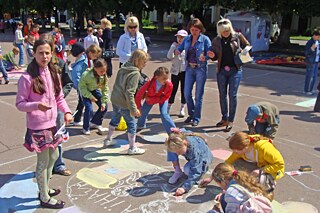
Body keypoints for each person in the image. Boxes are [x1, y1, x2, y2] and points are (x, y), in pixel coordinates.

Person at [16, 38, 73, 209]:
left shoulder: (54, 72)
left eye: (47, 52)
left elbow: (59, 98)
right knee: (43, 161)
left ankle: (45, 188)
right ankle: (44, 197)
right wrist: (36, 106)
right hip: (38, 127)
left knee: (54, 157)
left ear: (52, 54)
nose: (44, 56)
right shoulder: (27, 78)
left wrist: (68, 112)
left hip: (53, 125)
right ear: (33, 54)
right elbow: (20, 104)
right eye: (40, 52)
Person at [103, 49, 149, 154]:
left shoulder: (123, 67)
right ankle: (132, 148)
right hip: (124, 102)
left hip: (115, 98)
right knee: (131, 124)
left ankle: (108, 140)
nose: (145, 64)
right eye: (144, 62)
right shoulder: (135, 73)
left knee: (116, 117)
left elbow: (117, 84)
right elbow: (129, 92)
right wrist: (133, 109)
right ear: (137, 60)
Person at [208, 18, 250, 132]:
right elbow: (215, 56)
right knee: (222, 95)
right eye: (223, 31)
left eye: (227, 30)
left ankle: (231, 120)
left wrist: (244, 51)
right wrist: (212, 55)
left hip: (235, 70)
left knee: (232, 95)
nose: (226, 33)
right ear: (219, 31)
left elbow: (247, 45)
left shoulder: (237, 36)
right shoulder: (216, 40)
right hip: (221, 70)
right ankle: (224, 118)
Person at [175, 18, 212, 126]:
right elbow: (180, 48)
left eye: (196, 30)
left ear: (200, 30)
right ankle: (191, 114)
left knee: (198, 95)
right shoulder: (187, 39)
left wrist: (205, 57)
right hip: (189, 68)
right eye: (192, 30)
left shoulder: (205, 39)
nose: (194, 32)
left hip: (200, 68)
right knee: (186, 93)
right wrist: (177, 51)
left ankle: (196, 117)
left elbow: (210, 53)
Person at [201, 163, 272, 213]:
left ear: (222, 181)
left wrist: (215, 211)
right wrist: (224, 193)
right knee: (223, 197)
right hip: (260, 208)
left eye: (218, 184)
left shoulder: (230, 193)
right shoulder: (243, 179)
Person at [165, 127, 213, 196]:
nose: (178, 154)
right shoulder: (182, 137)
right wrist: (179, 131)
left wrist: (184, 188)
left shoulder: (194, 151)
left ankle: (200, 175)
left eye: (179, 151)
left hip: (204, 159)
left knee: (187, 170)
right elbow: (183, 132)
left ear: (185, 143)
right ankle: (177, 171)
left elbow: (196, 171)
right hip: (196, 155)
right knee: (171, 149)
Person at [135, 67, 174, 132]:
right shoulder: (149, 83)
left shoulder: (169, 85)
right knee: (143, 112)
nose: (166, 80)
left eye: (167, 78)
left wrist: (152, 99)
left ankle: (173, 131)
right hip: (150, 98)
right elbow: (139, 95)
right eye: (164, 78)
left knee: (164, 114)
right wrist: (138, 107)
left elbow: (166, 97)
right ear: (156, 77)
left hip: (160, 99)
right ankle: (140, 125)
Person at [78, 58, 109, 135]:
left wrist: (104, 102)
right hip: (85, 91)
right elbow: (82, 87)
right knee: (89, 108)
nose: (103, 73)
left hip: (94, 90)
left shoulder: (103, 75)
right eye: (101, 71)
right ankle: (85, 128)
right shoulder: (86, 75)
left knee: (104, 106)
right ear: (95, 69)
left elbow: (105, 89)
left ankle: (95, 122)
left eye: (104, 71)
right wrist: (89, 96)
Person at [167, 29, 188, 117]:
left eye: (182, 37)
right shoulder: (174, 46)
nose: (180, 39)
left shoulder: (187, 47)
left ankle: (182, 108)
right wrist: (173, 49)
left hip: (184, 71)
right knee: (173, 90)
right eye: (178, 37)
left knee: (184, 90)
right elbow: (169, 57)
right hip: (175, 71)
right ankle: (168, 106)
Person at [304, 30, 320, 95]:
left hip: (316, 61)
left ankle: (311, 89)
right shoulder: (310, 42)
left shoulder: (318, 42)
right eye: (318, 37)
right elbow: (306, 53)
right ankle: (307, 90)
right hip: (311, 62)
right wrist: (312, 48)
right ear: (315, 36)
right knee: (310, 76)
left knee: (314, 76)